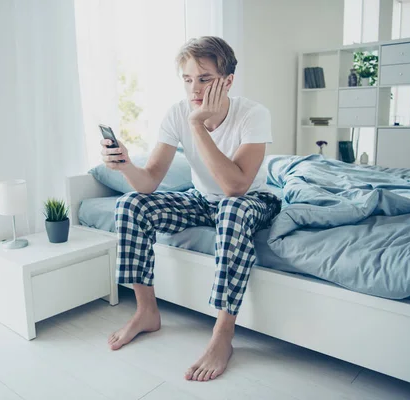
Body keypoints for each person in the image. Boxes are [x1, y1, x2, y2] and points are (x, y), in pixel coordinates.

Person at [100, 36, 281, 382]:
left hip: (251, 201)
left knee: (230, 209)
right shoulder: (176, 114)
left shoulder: (254, 114)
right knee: (130, 205)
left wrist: (198, 124)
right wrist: (125, 165)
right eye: (187, 79)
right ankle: (146, 312)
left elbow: (236, 186)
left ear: (227, 81)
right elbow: (149, 182)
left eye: (205, 79)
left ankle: (223, 333)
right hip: (201, 201)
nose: (194, 89)